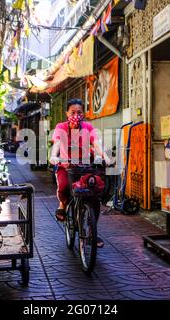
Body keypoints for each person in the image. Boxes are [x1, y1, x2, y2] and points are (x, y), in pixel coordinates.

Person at [49, 98, 113, 248]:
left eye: (79, 112)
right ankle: (63, 205)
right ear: (67, 113)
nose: (76, 115)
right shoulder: (61, 127)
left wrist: (105, 156)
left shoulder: (88, 127)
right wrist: (54, 156)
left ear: (83, 114)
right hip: (66, 166)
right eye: (72, 112)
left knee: (94, 198)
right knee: (64, 186)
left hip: (85, 166)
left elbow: (96, 143)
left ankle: (92, 232)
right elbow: (57, 143)